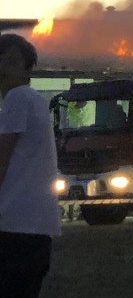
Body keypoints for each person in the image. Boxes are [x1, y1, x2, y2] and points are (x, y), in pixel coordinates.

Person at [0, 34, 61, 298]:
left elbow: (1, 158)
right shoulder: (35, 101)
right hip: (36, 228)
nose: (3, 68)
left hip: (15, 227)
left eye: (12, 62)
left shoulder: (18, 97)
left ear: (27, 72)